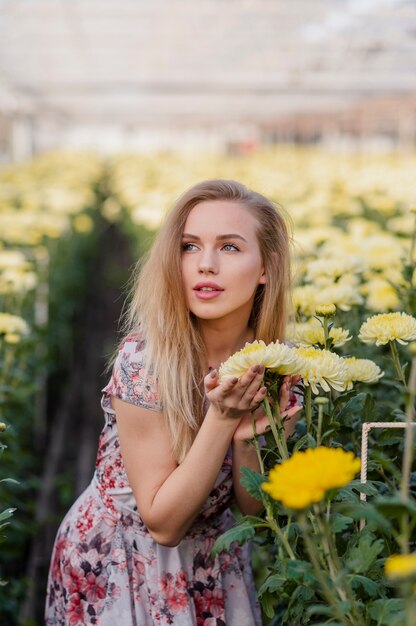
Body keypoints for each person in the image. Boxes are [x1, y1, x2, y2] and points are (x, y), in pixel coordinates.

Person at [45, 179, 303, 626]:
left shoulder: (276, 364)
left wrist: (248, 441)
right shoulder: (145, 362)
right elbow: (163, 524)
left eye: (229, 248)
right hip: (122, 561)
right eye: (189, 246)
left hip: (216, 562)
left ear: (267, 267)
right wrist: (222, 419)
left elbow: (254, 510)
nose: (205, 265)